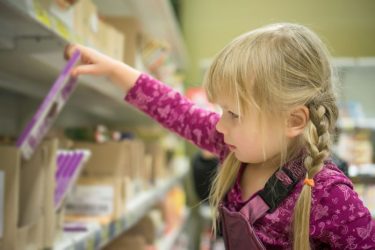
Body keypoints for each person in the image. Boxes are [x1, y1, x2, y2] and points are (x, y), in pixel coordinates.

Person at [65, 23, 375, 249]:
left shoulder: (330, 195)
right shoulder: (233, 150)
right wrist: (115, 71)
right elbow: (177, 110)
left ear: (293, 120)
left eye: (234, 114)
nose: (220, 126)